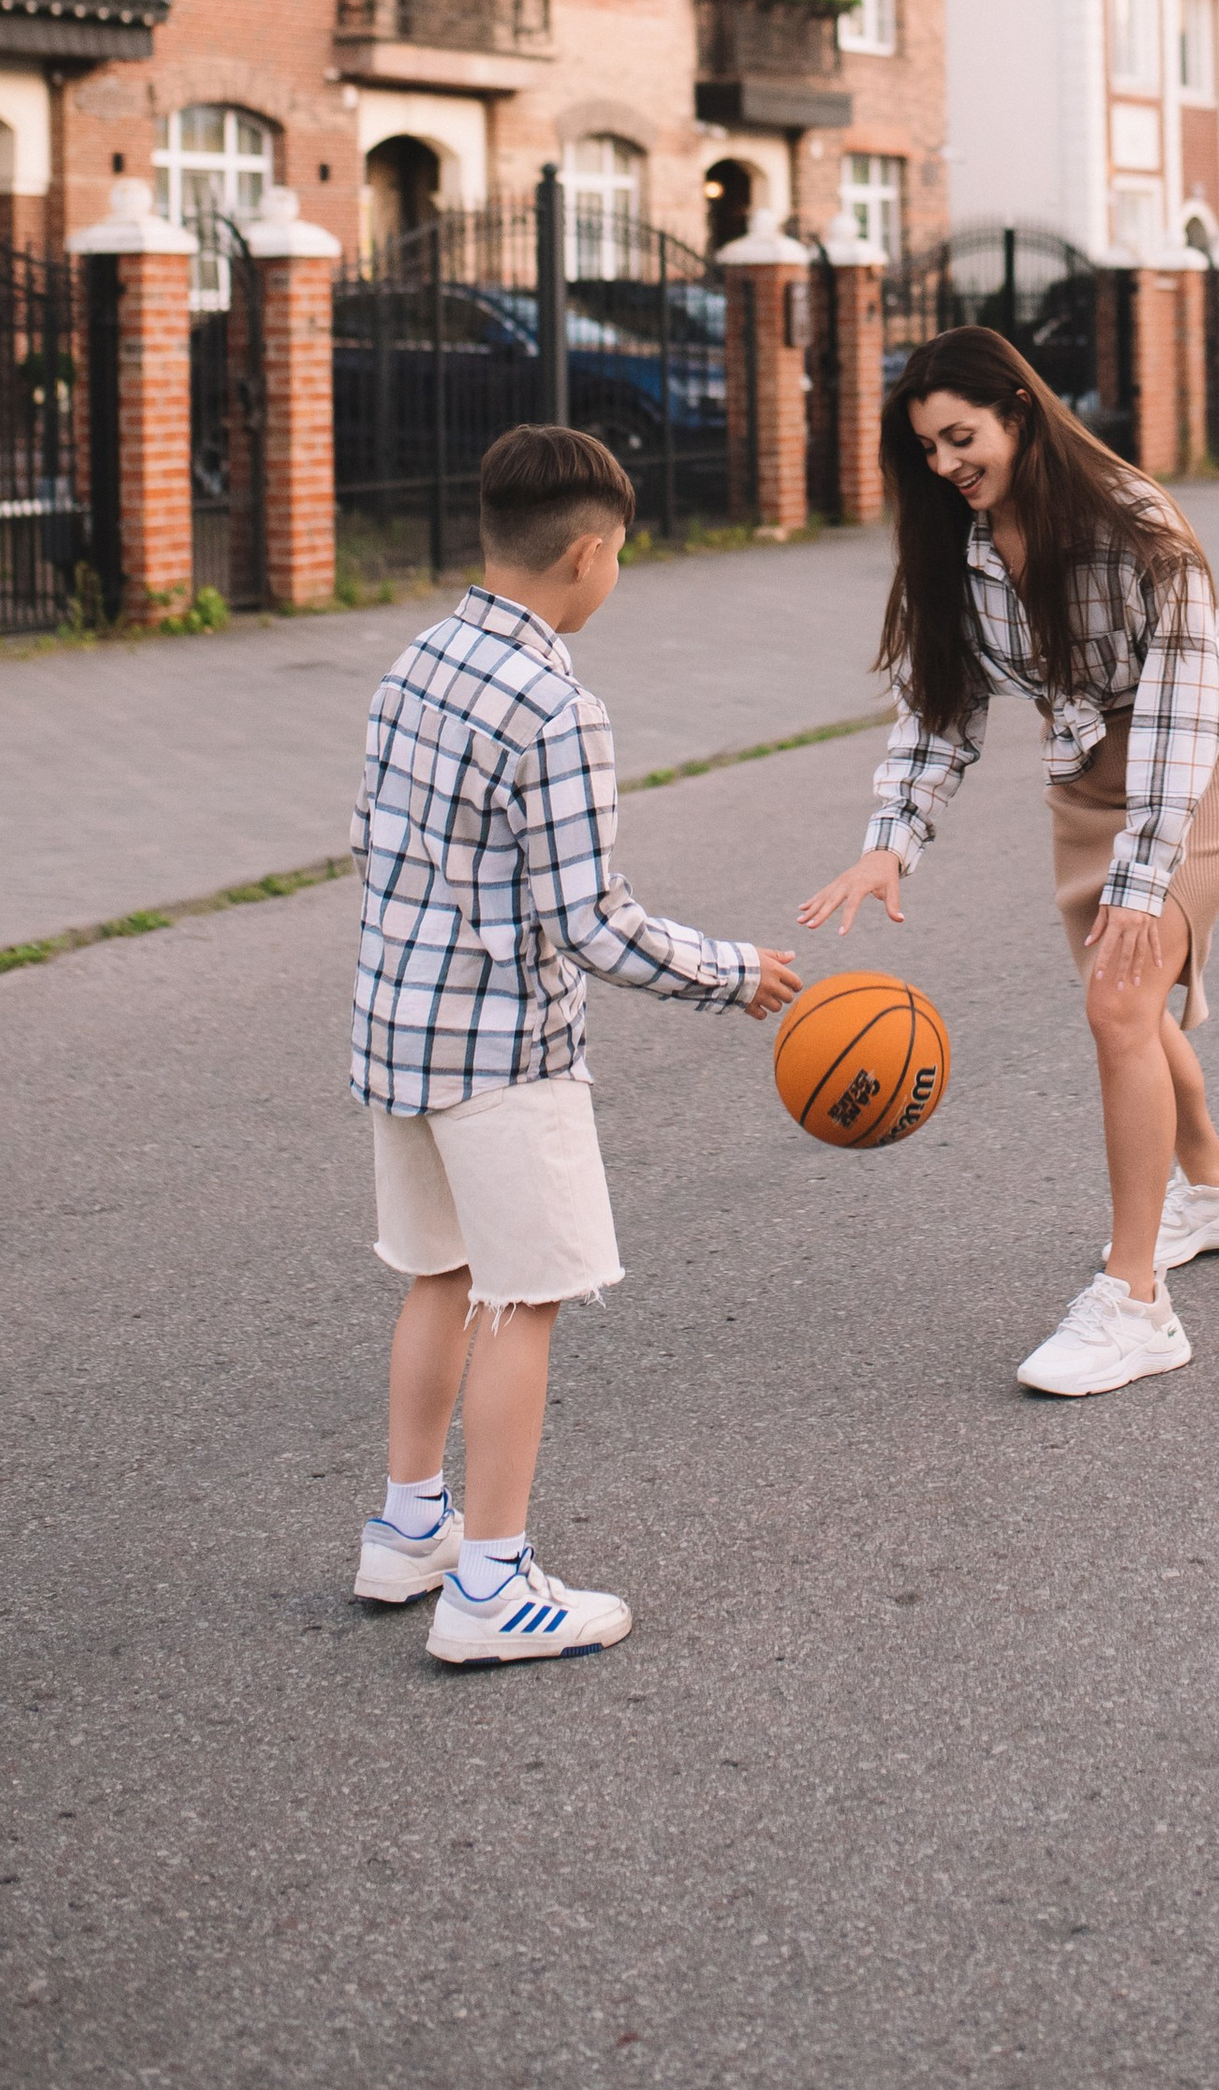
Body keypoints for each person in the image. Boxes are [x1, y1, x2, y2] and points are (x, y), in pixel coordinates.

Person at [349, 421, 800, 1664]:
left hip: (400, 1025)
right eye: (623, 558)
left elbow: (373, 844)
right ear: (590, 554)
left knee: (439, 1272)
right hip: (504, 1049)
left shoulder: (414, 663)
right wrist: (732, 975)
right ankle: (490, 1586)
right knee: (525, 1295)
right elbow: (589, 921)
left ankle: (409, 1529)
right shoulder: (556, 704)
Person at [799, 325, 1219, 1398]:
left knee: (1117, 1004)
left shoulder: (1135, 525)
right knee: (1131, 1011)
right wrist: (890, 846)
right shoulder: (956, 542)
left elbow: (1181, 711)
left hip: (1198, 771)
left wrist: (1145, 878)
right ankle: (1213, 1185)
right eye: (925, 447)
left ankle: (1135, 1300)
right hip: (1084, 783)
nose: (943, 464)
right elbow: (938, 709)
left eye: (961, 437)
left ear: (1018, 409)